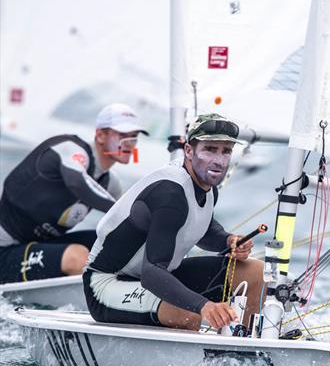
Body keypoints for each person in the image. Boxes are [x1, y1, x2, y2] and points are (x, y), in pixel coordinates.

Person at [83, 113, 264, 331]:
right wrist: (204, 305)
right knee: (188, 313)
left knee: (256, 273)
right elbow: (151, 274)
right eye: (210, 150)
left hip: (160, 276)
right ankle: (210, 362)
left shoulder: (207, 187)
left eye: (226, 151)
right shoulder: (170, 193)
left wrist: (228, 241)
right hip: (107, 284)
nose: (219, 160)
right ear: (189, 150)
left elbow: (205, 231)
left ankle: (244, 349)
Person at [0, 103, 148, 284]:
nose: (130, 143)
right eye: (123, 135)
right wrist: (125, 211)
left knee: (122, 243)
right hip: (5, 249)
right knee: (77, 258)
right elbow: (77, 182)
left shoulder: (111, 184)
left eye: (134, 137)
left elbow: (131, 221)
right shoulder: (70, 149)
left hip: (40, 245)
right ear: (100, 135)